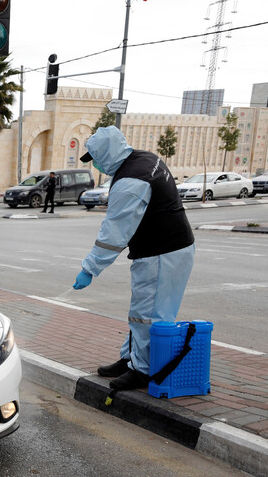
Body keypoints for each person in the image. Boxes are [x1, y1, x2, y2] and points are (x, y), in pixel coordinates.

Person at [72, 126, 195, 391]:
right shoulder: (145, 159)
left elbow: (114, 234)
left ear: (106, 154)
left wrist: (90, 269)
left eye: (94, 157)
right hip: (171, 248)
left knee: (148, 315)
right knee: (142, 312)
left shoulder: (130, 183)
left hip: (162, 253)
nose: (94, 163)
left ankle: (143, 371)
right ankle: (132, 359)